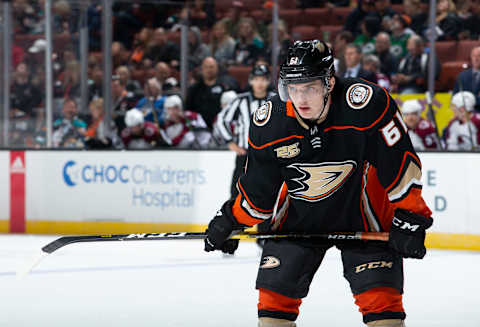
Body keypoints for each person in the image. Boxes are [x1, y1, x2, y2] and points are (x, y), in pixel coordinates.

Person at [203, 40, 433, 327]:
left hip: (365, 219)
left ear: (329, 83)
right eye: (293, 89)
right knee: (272, 314)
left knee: (384, 314)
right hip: (298, 223)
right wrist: (231, 220)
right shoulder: (270, 122)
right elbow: (258, 194)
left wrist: (411, 216)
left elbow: (399, 166)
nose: (301, 99)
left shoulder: (367, 105)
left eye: (310, 87)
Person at [214, 64, 276, 199]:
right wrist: (230, 142)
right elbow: (221, 119)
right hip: (245, 154)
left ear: (268, 81)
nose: (260, 83)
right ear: (251, 81)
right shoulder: (240, 100)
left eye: (263, 79)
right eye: (257, 79)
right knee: (236, 193)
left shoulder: (275, 100)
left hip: (269, 156)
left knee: (269, 193)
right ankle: (233, 220)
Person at [453, 46, 480, 112]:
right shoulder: (462, 76)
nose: (476, 59)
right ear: (471, 57)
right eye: (474, 56)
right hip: (466, 114)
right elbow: (455, 97)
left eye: (479, 56)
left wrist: (467, 99)